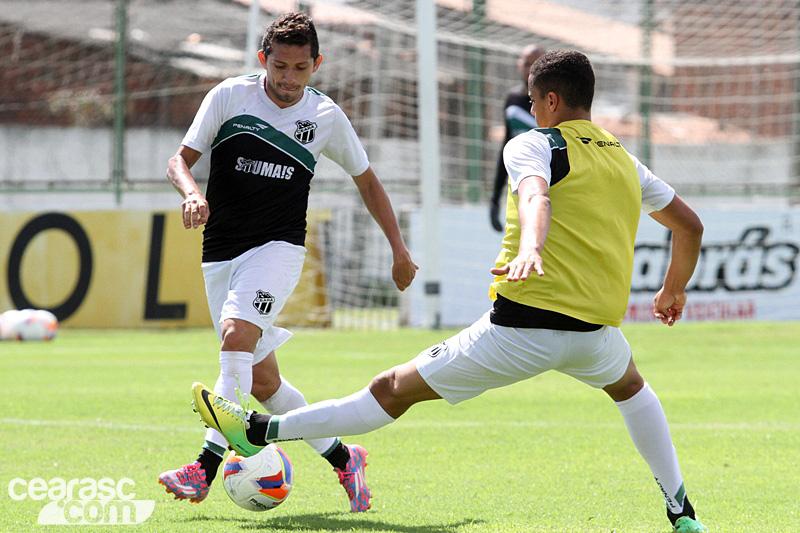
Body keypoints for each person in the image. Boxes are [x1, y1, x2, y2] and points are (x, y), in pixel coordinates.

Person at [191, 50, 708, 532]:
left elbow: (535, 194)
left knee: (391, 390)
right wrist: (671, 291)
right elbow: (690, 227)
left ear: (551, 100)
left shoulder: (534, 143)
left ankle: (260, 432)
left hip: (520, 330)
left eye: (532, 101)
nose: (530, 110)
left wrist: (531, 247)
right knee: (633, 391)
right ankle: (680, 508)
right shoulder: (625, 159)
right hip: (596, 335)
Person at [157, 12, 418, 513]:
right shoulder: (229, 96)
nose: (289, 79)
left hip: (278, 249)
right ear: (263, 60)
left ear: (316, 65)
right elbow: (179, 160)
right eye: (280, 67)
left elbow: (368, 182)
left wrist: (399, 250)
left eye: (301, 68)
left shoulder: (325, 117)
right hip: (221, 253)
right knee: (264, 383)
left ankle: (204, 467)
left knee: (236, 336)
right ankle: (346, 458)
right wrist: (191, 193)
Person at [490, 44, 545, 232]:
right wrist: (495, 198)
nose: (530, 68)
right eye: (527, 63)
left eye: (535, 63)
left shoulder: (554, 102)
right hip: (518, 186)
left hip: (547, 185)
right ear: (519, 65)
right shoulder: (512, 99)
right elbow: (506, 145)